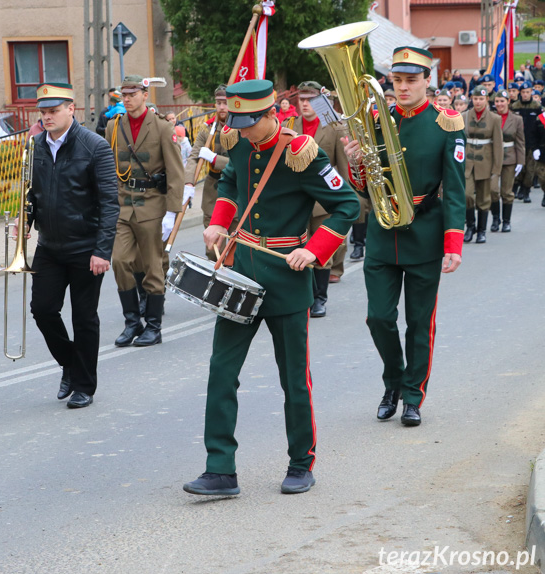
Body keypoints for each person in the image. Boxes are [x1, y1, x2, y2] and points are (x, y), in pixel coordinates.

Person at [181, 79, 359, 497]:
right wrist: (219, 221)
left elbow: (347, 203)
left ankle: (302, 463)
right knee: (221, 373)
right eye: (237, 122)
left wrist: (315, 250)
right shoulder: (242, 144)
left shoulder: (303, 154)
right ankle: (220, 469)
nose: (241, 131)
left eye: (249, 122)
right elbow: (229, 184)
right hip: (241, 273)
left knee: (294, 379)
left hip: (286, 278)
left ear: (271, 114)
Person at [343, 46, 465, 427]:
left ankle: (413, 395)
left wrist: (453, 244)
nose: (404, 87)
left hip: (426, 233)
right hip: (383, 234)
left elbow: (456, 189)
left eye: (412, 80)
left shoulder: (446, 123)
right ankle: (394, 380)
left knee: (419, 322)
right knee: (378, 318)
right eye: (398, 80)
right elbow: (365, 188)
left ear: (428, 80)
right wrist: (355, 164)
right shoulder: (377, 120)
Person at [24, 83, 119, 409]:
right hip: (49, 245)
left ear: (71, 109)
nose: (47, 117)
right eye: (43, 112)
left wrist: (102, 250)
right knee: (43, 310)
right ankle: (70, 363)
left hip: (85, 247)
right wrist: (25, 222)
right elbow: (31, 195)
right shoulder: (34, 145)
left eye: (53, 110)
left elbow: (109, 203)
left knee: (84, 317)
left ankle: (84, 386)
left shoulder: (95, 146)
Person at [105, 74, 184, 347]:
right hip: (123, 206)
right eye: (123, 94)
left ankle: (153, 326)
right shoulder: (113, 127)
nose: (127, 99)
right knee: (119, 261)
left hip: (152, 206)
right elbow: (108, 170)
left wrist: (172, 213)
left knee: (152, 268)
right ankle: (132, 323)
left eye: (132, 93)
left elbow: (175, 172)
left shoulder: (162, 127)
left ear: (144, 95)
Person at [292, 81, 350, 317]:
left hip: (323, 199)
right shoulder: (290, 125)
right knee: (297, 248)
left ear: (319, 101)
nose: (305, 104)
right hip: (295, 199)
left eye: (310, 99)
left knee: (320, 250)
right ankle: (303, 296)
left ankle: (319, 298)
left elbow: (343, 169)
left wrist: (345, 202)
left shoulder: (334, 127)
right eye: (302, 99)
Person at [184, 84, 236, 260]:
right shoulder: (207, 129)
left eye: (225, 102)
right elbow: (194, 157)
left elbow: (241, 163)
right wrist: (189, 182)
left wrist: (215, 159)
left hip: (237, 190)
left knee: (237, 244)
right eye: (218, 102)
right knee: (213, 246)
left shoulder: (241, 129)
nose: (221, 107)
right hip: (213, 190)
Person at [462, 87, 502, 244]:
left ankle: (481, 230)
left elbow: (498, 145)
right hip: (467, 163)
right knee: (466, 195)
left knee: (484, 198)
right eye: (475, 98)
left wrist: (496, 169)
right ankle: (470, 227)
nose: (477, 102)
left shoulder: (494, 119)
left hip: (485, 163)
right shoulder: (464, 116)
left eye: (481, 99)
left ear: (486, 100)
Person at [492, 90, 524, 232]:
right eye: (497, 101)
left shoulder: (517, 119)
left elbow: (520, 142)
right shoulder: (491, 117)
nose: (499, 104)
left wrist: (521, 161)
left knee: (507, 191)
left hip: (509, 157)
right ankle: (495, 218)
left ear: (508, 102)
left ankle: (506, 221)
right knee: (492, 190)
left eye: (502, 101)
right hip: (492, 157)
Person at [510, 81, 543, 203]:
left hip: (532, 141)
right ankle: (516, 187)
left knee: (530, 169)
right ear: (520, 93)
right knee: (519, 167)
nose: (525, 95)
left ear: (531, 92)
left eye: (527, 92)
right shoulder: (515, 106)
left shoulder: (536, 107)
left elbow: (541, 123)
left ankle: (526, 191)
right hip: (518, 142)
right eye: (523, 92)